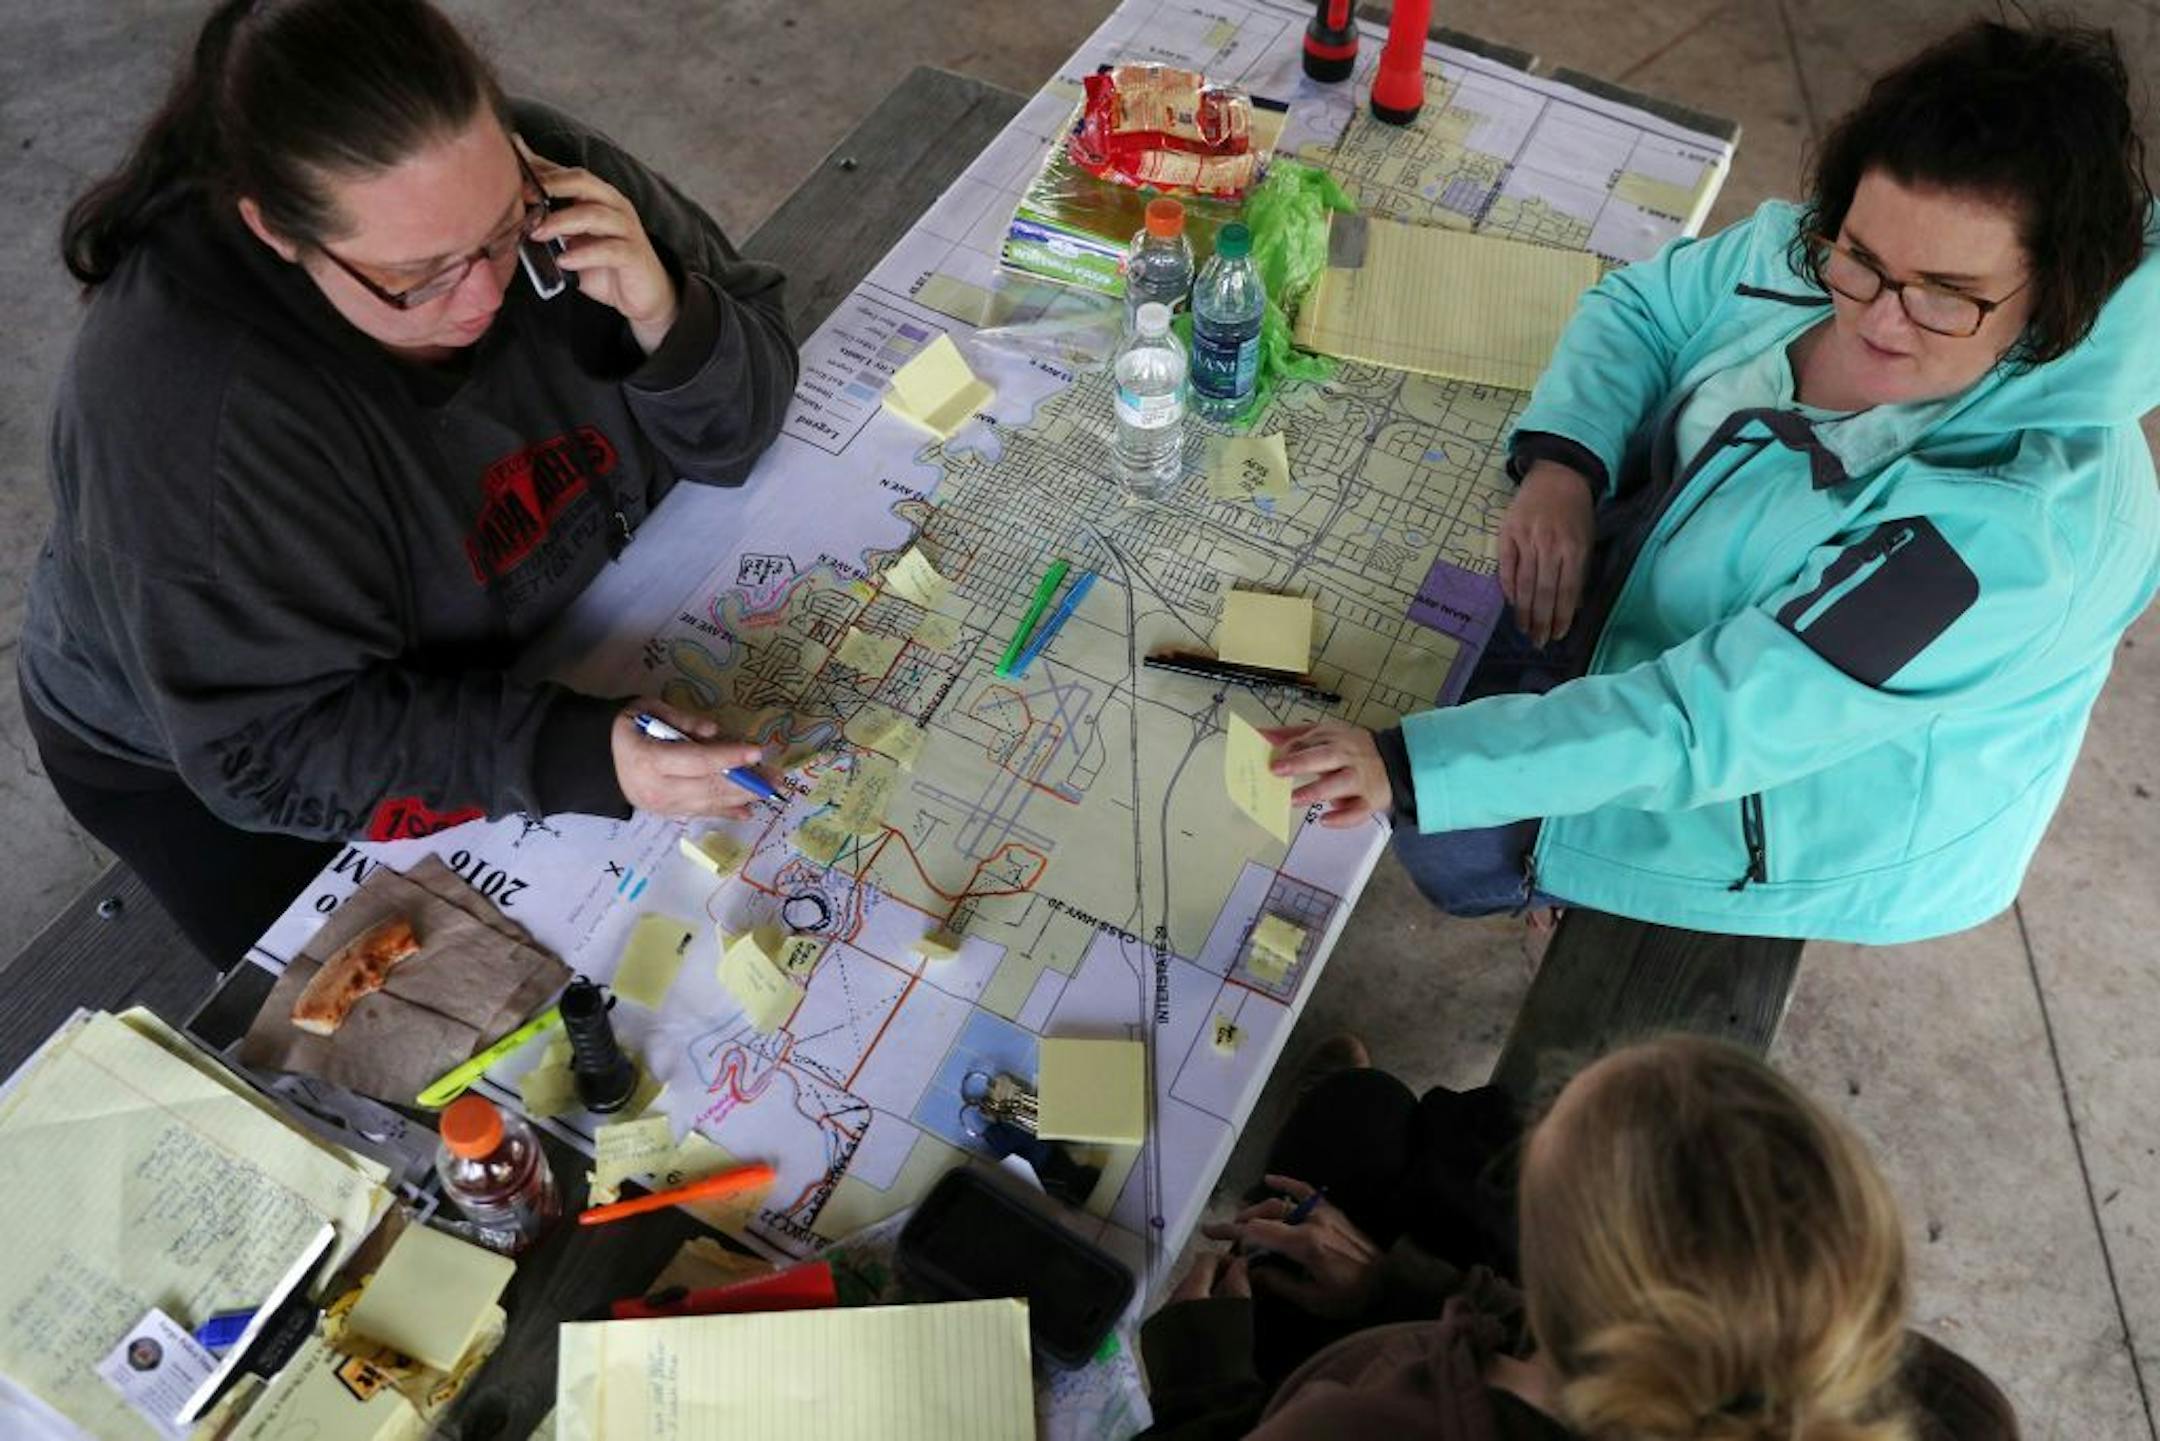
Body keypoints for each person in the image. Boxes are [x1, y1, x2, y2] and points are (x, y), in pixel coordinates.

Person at [1270, 20, 2159, 944]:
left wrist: (1410, 772)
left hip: (1800, 789)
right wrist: (1565, 465)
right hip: (1699, 607)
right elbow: (1643, 310)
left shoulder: (2001, 536)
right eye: (1860, 260)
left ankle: (1569, 887)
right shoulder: (1811, 253)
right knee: (1424, 631)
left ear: (2057, 295)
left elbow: (1704, 722)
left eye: (1944, 293)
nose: (1880, 321)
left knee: (1451, 840)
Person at [17, 0, 799, 963]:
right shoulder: (183, 410)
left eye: (505, 228)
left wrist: (667, 312)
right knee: (375, 1026)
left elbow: (737, 431)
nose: (486, 294)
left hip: (514, 635)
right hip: (218, 755)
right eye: (417, 276)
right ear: (278, 230)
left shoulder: (551, 177)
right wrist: (578, 754)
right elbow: (271, 750)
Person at [1138, 1035, 2018, 1440]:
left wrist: (1199, 1374)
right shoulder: (1940, 1413)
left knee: (1360, 1127)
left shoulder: (1359, 1423)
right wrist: (1391, 1286)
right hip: (1398, 1337)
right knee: (1362, 1117)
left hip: (1267, 1393)